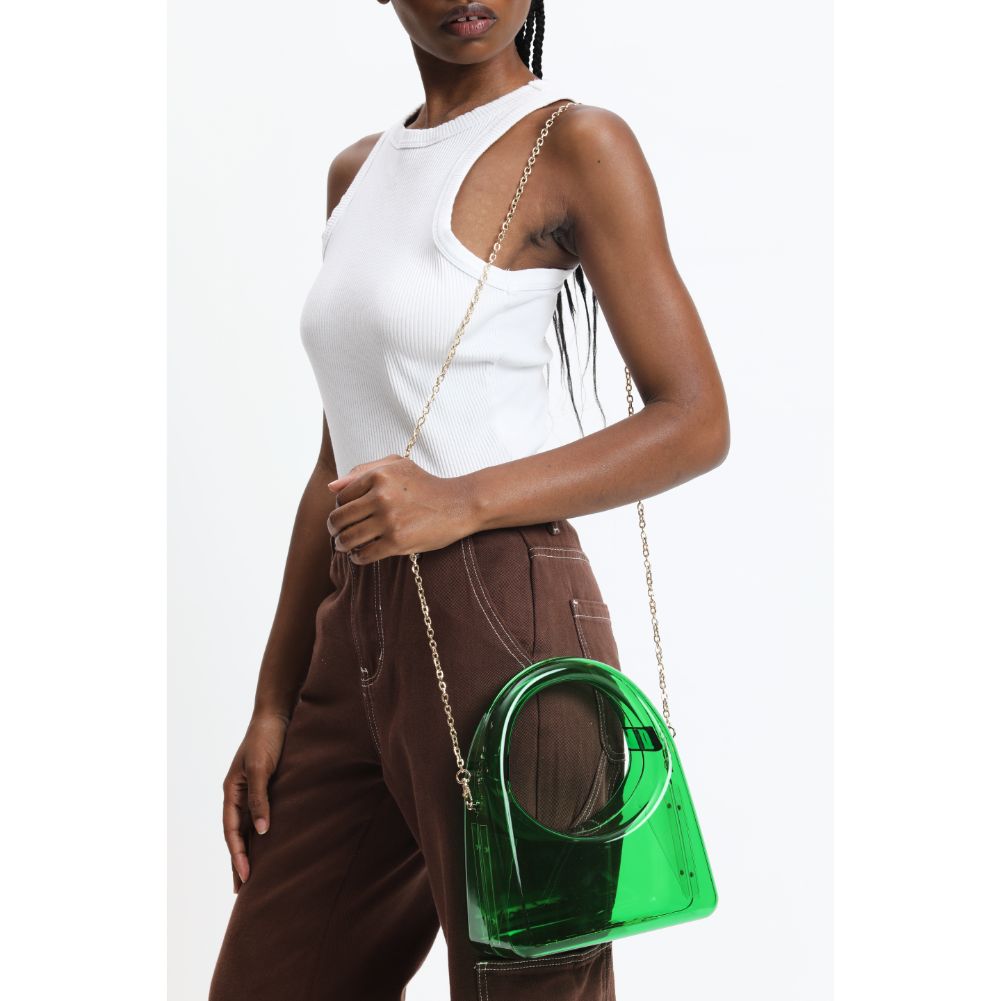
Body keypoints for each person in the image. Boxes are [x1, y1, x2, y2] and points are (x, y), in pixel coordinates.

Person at [209, 2, 729, 998]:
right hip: (352, 634)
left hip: (504, 617)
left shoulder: (575, 143)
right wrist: (275, 698)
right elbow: (336, 459)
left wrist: (460, 500)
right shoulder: (356, 174)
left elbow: (694, 417)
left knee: (525, 987)